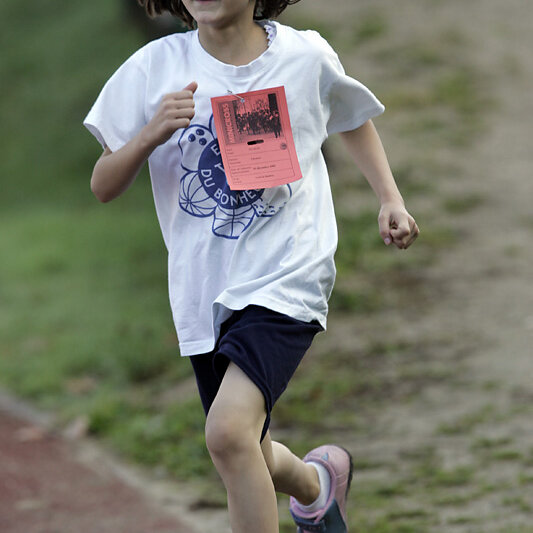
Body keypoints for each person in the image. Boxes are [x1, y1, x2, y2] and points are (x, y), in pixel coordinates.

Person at [84, 1, 419, 532]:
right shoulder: (154, 68)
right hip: (205, 291)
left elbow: (351, 116)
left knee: (228, 433)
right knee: (249, 449)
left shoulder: (303, 55)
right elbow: (103, 185)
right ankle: (316, 487)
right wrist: (149, 134)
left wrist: (389, 199)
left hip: (289, 270)